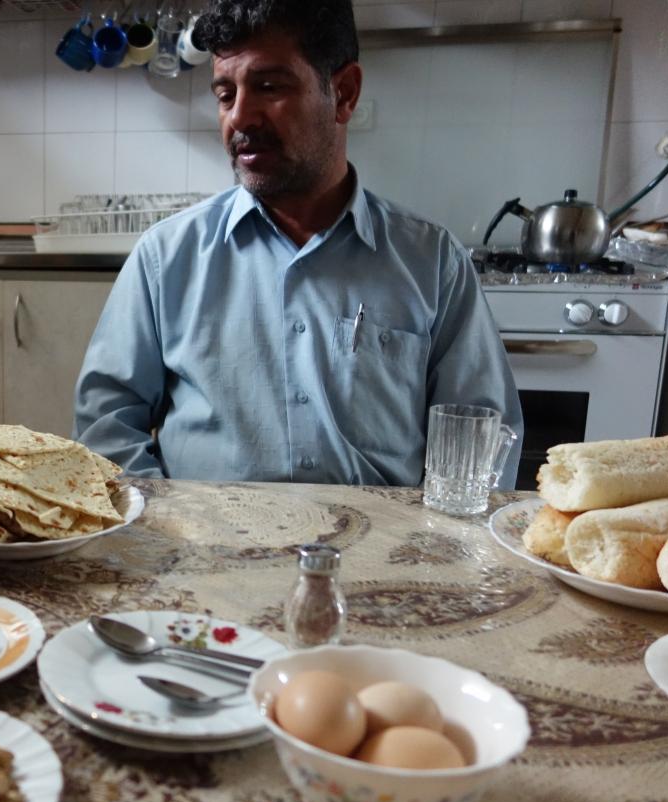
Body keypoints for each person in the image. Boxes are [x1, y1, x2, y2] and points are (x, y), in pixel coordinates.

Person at [74, 0, 522, 487]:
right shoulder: (166, 258)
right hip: (204, 534)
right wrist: (165, 521)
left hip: (383, 538)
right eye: (225, 95)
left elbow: (481, 442)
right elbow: (106, 425)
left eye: (270, 87)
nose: (239, 117)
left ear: (344, 93)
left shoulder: (432, 262)